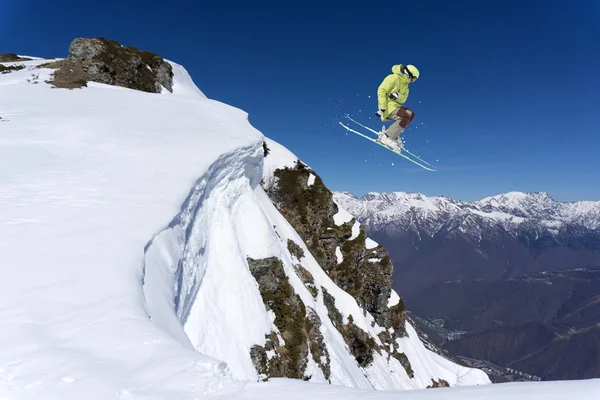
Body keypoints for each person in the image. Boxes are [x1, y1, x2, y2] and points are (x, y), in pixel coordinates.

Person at [375, 64, 420, 151]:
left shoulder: (406, 86)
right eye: (413, 79)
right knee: (405, 116)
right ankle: (386, 137)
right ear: (409, 74)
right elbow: (381, 90)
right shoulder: (394, 77)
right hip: (388, 107)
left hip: (396, 106)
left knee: (411, 114)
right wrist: (382, 107)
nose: (412, 81)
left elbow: (403, 99)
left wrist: (397, 96)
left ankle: (394, 134)